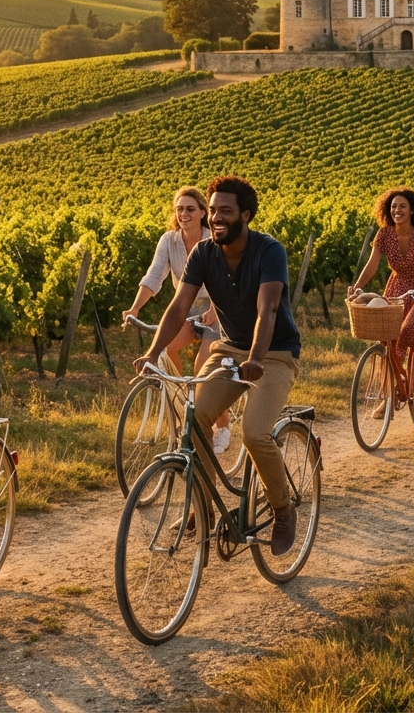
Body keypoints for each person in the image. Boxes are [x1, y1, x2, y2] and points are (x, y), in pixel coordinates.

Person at [133, 176, 301, 556]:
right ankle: (204, 508)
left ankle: (282, 509)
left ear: (246, 215)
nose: (216, 217)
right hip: (230, 349)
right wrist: (153, 353)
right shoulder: (203, 253)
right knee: (195, 418)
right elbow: (179, 306)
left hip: (274, 353)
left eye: (225, 210)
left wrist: (256, 357)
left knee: (255, 433)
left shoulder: (269, 251)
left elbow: (268, 310)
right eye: (213, 210)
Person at [120, 187, 230, 452]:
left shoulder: (213, 240)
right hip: (185, 307)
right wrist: (134, 309)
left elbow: (225, 279)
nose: (184, 214)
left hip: (217, 308)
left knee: (205, 367)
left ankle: (223, 425)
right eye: (179, 209)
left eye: (190, 209)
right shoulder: (169, 241)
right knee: (166, 350)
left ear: (203, 212)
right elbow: (154, 276)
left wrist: (214, 309)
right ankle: (185, 407)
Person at [348, 188, 414, 396]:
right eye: (393, 206)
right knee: (388, 339)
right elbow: (372, 264)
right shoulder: (385, 233)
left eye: (402, 206)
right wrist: (357, 286)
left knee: (409, 329)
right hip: (396, 287)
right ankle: (389, 397)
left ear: (412, 210)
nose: (397, 210)